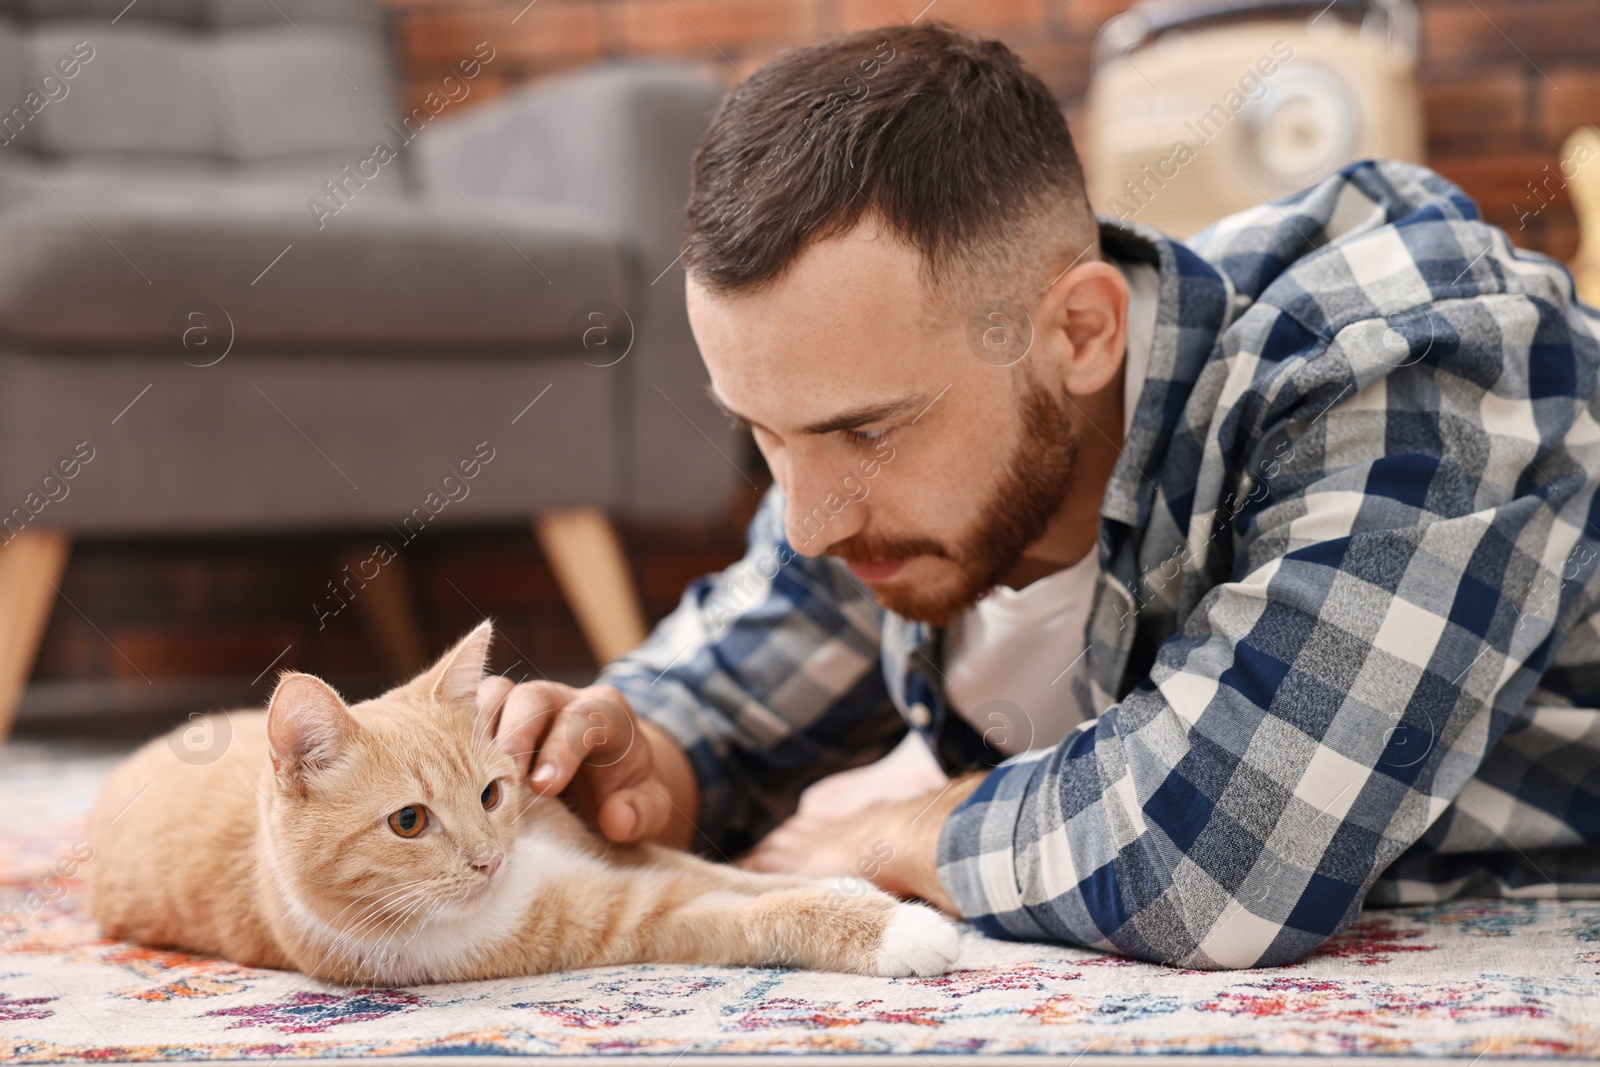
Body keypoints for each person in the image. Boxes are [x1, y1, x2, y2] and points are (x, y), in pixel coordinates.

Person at [477, 22, 1600, 969]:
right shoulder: (878, 449)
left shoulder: (1400, 345)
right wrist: (636, 762)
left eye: (860, 429)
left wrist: (898, 829)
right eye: (762, 435)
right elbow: (713, 695)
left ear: (1079, 332)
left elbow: (1228, 854)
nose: (809, 518)